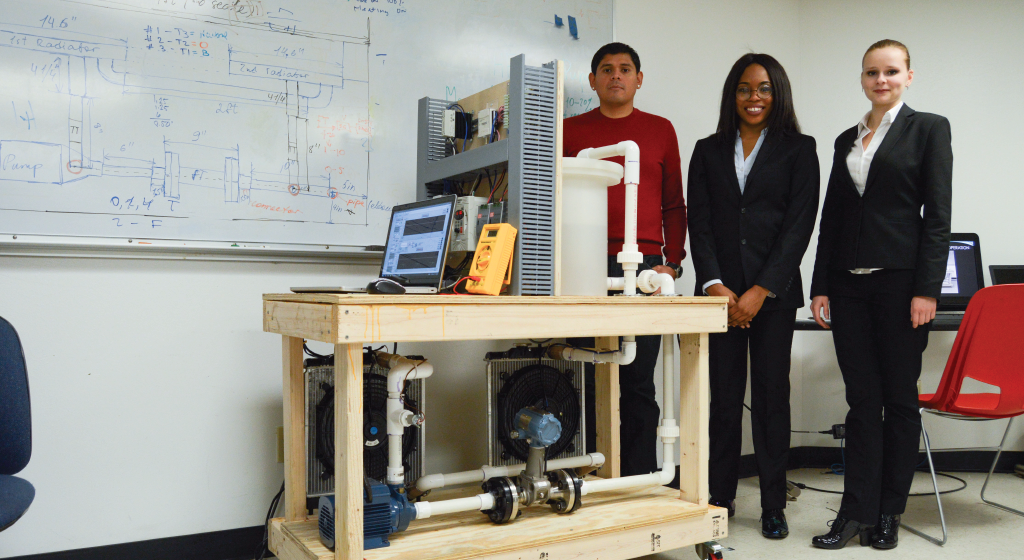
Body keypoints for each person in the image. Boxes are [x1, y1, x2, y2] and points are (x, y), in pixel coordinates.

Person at [809, 39, 952, 550]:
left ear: (909, 76)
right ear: (863, 78)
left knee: (899, 401)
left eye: (891, 71)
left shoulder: (929, 129)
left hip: (899, 286)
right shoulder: (847, 138)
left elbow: (937, 219)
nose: (881, 80)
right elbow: (832, 217)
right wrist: (820, 283)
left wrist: (926, 290)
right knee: (861, 403)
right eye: (872, 72)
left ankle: (889, 511)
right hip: (847, 287)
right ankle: (854, 513)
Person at [687, 53, 819, 539]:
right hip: (720, 297)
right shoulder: (706, 149)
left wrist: (761, 290)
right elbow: (697, 224)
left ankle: (772, 505)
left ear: (777, 92)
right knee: (722, 401)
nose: (754, 97)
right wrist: (717, 286)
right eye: (744, 88)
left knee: (770, 400)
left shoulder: (800, 149)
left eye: (763, 88)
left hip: (773, 297)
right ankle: (720, 497)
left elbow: (798, 227)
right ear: (732, 94)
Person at [562, 42, 687, 476]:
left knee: (637, 379)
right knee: (587, 376)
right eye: (607, 69)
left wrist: (672, 262)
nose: (616, 75)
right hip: (582, 263)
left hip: (645, 265)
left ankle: (637, 480)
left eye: (625, 68)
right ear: (592, 80)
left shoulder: (660, 129)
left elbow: (675, 204)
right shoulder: (568, 131)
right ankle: (589, 476)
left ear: (639, 79)